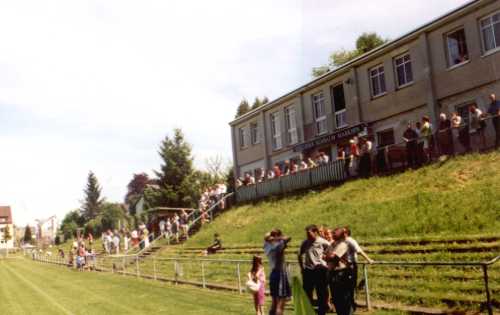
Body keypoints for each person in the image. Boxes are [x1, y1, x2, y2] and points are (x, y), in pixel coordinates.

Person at [298, 225, 331, 315]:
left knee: (321, 293)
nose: (307, 236)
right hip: (308, 271)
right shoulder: (305, 243)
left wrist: (327, 264)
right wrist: (302, 268)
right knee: (307, 293)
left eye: (309, 233)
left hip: (320, 270)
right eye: (306, 234)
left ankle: (322, 312)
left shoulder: (323, 242)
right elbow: (300, 255)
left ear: (315, 232)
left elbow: (332, 253)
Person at [325, 228, 355, 315]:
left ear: (341, 234)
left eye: (335, 233)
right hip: (333, 273)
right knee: (336, 298)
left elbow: (333, 257)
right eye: (333, 233)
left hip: (342, 273)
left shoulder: (343, 244)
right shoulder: (333, 244)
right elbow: (324, 255)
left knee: (344, 298)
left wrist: (329, 257)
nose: (332, 234)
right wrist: (329, 257)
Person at [344, 227, 374, 311]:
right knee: (346, 287)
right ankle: (349, 306)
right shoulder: (342, 241)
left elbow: (359, 251)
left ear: (346, 233)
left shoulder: (350, 241)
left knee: (350, 286)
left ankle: (351, 306)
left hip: (350, 266)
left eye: (342, 231)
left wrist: (368, 259)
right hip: (345, 266)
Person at [264, 229, 291, 315]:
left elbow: (266, 238)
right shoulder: (279, 244)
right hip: (280, 273)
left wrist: (272, 238)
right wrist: (278, 238)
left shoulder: (267, 245)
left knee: (274, 303)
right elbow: (288, 238)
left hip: (273, 273)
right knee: (280, 303)